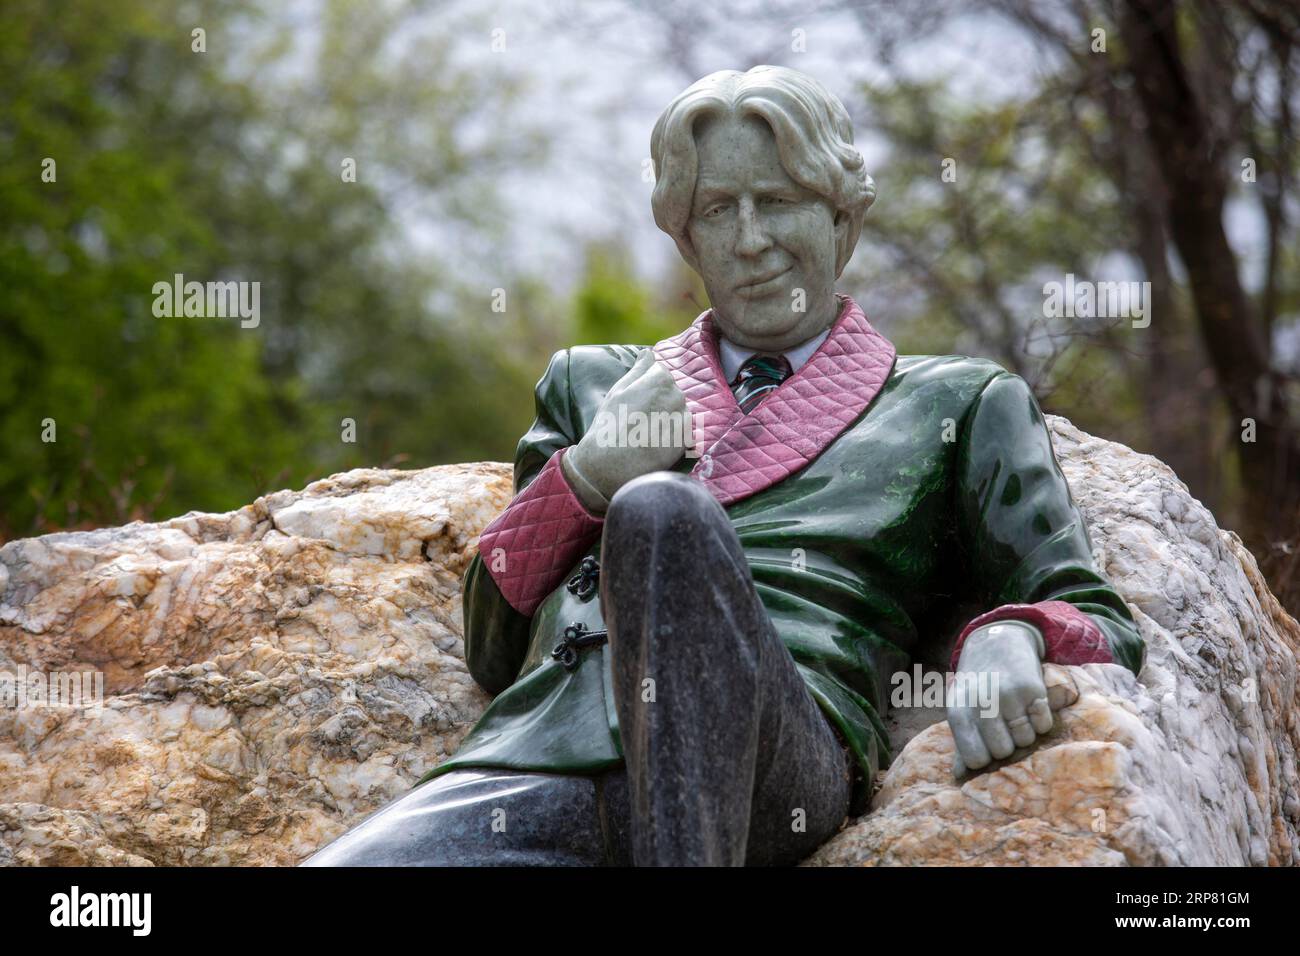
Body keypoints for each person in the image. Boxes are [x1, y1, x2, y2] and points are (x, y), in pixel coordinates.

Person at [304, 65, 1144, 868]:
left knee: (663, 513)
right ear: (685, 234)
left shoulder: (958, 404)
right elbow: (492, 646)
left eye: (778, 202)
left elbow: (1095, 610)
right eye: (717, 209)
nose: (750, 241)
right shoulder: (589, 382)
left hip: (768, 763)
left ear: (843, 219)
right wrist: (590, 475)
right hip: (546, 760)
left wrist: (1012, 634)